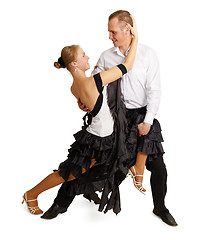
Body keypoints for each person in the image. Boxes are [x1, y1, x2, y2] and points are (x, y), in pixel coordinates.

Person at [22, 17, 138, 218]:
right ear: (75, 63)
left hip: (100, 137)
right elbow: (127, 66)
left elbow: (88, 104)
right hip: (97, 139)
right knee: (67, 173)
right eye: (83, 55)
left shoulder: (74, 86)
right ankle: (31, 194)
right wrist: (135, 39)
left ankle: (89, 191)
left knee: (88, 169)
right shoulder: (95, 81)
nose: (88, 57)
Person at [86, 10, 177, 226]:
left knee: (158, 166)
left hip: (143, 115)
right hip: (116, 117)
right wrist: (84, 100)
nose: (110, 36)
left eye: (113, 31)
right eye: (109, 32)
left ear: (128, 29)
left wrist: (148, 120)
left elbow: (155, 90)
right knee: (107, 161)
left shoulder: (148, 55)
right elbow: (93, 85)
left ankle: (160, 207)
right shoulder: (107, 56)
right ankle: (86, 190)